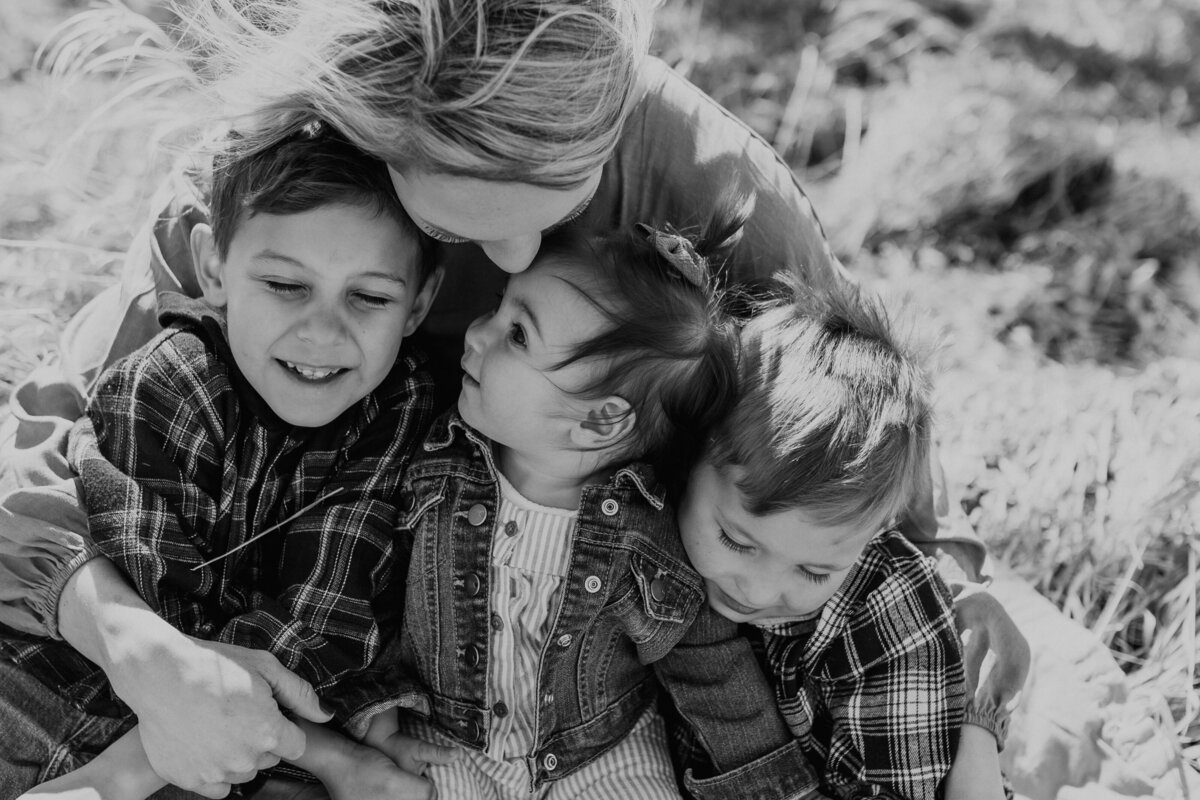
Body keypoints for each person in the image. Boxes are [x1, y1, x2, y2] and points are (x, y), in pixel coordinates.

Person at [0, 0, 1027, 794]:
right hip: (329, 556)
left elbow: (869, 480)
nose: (510, 266)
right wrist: (143, 653)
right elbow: (53, 436)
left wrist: (970, 719)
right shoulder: (293, 163)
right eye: (458, 226)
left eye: (555, 206)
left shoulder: (710, 187)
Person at [1, 124, 453, 799]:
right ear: (213, 269)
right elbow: (161, 633)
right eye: (285, 284)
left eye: (370, 297)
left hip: (226, 758)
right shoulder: (172, 383)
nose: (324, 332)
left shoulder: (398, 412)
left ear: (417, 303)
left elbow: (326, 614)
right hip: (44, 685)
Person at [390, 202, 816, 800]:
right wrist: (369, 710)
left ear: (598, 422)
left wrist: (771, 787)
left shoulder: (648, 535)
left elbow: (707, 664)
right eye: (499, 307)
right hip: (444, 738)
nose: (477, 332)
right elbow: (369, 584)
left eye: (517, 334)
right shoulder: (431, 465)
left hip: (598, 751)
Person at [677, 281, 1012, 800]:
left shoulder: (892, 615)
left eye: (814, 572)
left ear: (870, 539)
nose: (760, 591)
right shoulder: (648, 515)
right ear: (690, 457)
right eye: (736, 541)